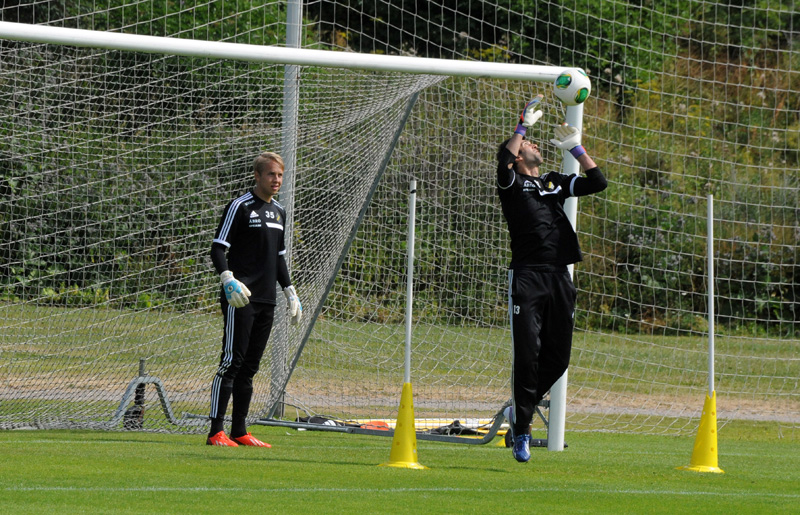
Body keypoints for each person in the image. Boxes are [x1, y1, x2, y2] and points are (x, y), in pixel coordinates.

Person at [496, 96, 607, 462]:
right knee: (527, 356)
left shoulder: (553, 183)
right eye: (530, 144)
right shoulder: (511, 183)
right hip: (527, 277)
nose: (536, 145)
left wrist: (576, 148)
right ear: (517, 157)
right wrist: (521, 126)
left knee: (558, 359)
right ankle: (523, 430)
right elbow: (502, 157)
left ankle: (518, 409)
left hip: (559, 277)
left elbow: (598, 182)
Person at [206, 151, 302, 447]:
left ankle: (240, 430)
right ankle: (215, 432)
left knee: (250, 367)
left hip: (266, 300)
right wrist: (228, 280)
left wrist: (289, 291)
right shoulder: (240, 206)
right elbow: (217, 249)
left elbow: (279, 258)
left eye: (280, 175)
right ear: (257, 175)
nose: (277, 180)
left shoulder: (280, 212)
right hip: (241, 298)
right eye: (271, 174)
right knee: (231, 363)